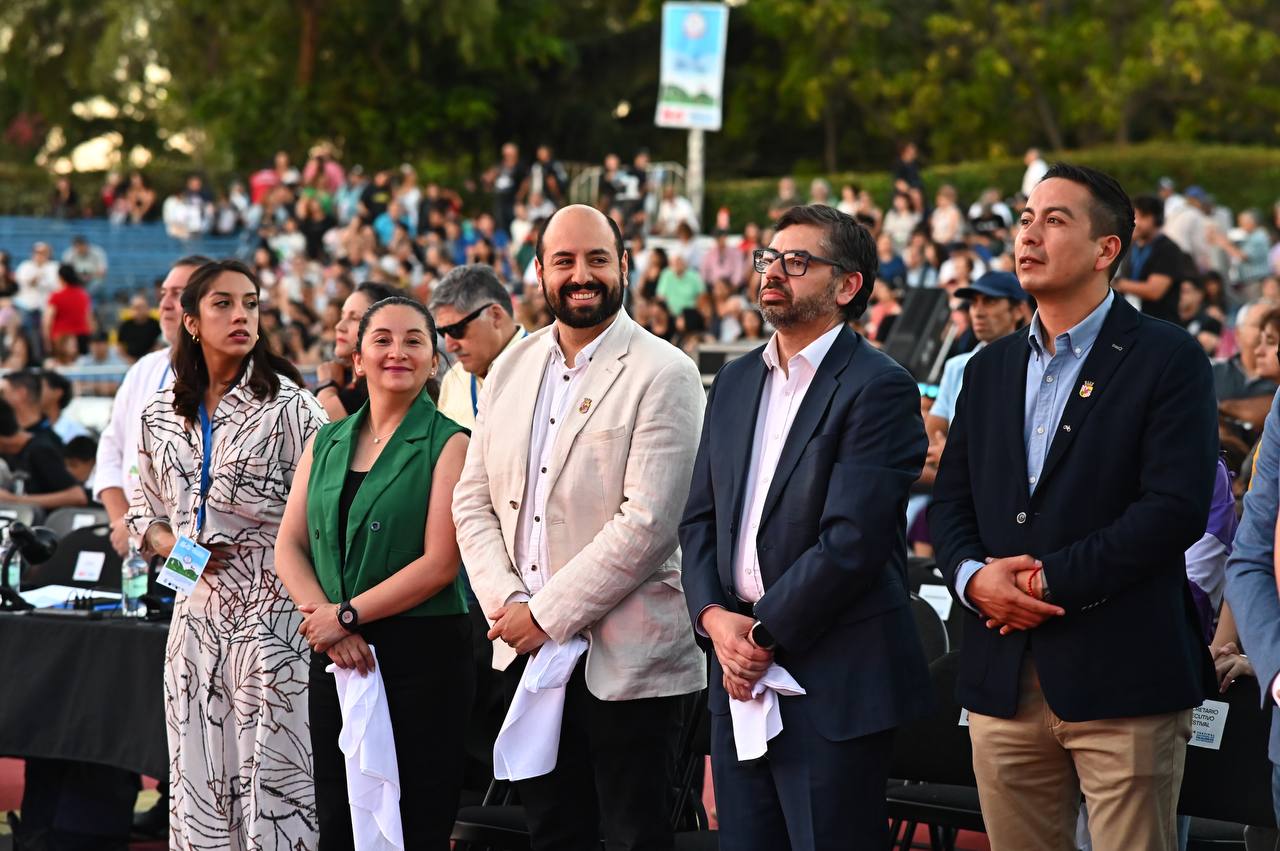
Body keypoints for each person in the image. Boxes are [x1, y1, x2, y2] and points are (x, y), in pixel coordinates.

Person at [929, 163, 1218, 851]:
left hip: (1124, 674)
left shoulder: (1168, 358)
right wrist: (972, 578)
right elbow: (950, 502)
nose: (1029, 234)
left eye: (1054, 220)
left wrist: (1043, 583)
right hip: (1002, 674)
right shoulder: (988, 367)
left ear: (1106, 249)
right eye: (1026, 218)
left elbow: (1173, 510)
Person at [452, 204, 706, 851]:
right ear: (539, 272)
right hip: (528, 655)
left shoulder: (665, 371)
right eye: (564, 261)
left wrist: (544, 615)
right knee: (553, 833)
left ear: (625, 265)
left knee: (632, 838)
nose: (581, 274)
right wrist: (509, 604)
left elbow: (648, 524)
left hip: (629, 665)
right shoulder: (511, 367)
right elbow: (472, 501)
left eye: (597, 258)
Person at [680, 204, 932, 850]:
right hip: (737, 675)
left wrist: (760, 635)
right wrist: (714, 619)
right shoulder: (735, 379)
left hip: (832, 680)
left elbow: (852, 542)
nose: (773, 272)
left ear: (847, 285)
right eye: (769, 258)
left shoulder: (879, 387)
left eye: (797, 262)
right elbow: (700, 518)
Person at [127, 259, 326, 850]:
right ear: (191, 321)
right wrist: (170, 543)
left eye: (251, 303)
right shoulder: (159, 414)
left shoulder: (293, 407)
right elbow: (142, 511)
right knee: (197, 775)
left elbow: (327, 510)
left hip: (277, 611)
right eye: (223, 304)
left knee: (276, 781)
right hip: (193, 612)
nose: (241, 315)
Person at [275, 296, 472, 849]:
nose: (397, 352)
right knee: (339, 821)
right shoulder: (326, 440)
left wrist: (345, 616)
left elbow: (440, 563)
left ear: (433, 361)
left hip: (421, 656)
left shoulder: (452, 442)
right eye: (382, 340)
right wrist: (329, 622)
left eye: (414, 341)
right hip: (335, 653)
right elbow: (288, 545)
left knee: (414, 823)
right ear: (357, 360)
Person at [95, 258, 205, 559]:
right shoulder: (144, 368)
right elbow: (111, 446)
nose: (165, 305)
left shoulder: (230, 380)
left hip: (194, 548)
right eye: (163, 294)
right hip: (137, 543)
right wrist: (123, 521)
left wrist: (155, 537)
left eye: (178, 294)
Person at [923, 271, 1029, 485]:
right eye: (973, 303)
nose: (978, 312)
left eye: (990, 301)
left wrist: (955, 460)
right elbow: (934, 436)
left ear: (1018, 310)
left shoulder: (1033, 366)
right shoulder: (956, 366)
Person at [429, 265, 526, 431]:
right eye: (443, 332)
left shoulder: (550, 365)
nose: (450, 346)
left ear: (495, 316)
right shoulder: (453, 380)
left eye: (456, 330)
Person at [312, 281, 400, 421]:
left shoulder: (377, 385)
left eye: (354, 318)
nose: (339, 326)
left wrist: (326, 386)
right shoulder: (343, 376)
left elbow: (320, 424)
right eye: (342, 316)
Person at [1113, 195, 1194, 324]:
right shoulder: (1131, 246)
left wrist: (1118, 284)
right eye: (1134, 217)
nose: (1136, 222)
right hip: (1131, 320)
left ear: (1157, 219)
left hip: (1159, 323)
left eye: (1142, 217)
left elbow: (1154, 291)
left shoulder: (1168, 249)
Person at [43, 264, 93, 357]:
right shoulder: (83, 295)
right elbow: (89, 319)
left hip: (61, 338)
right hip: (81, 337)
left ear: (61, 278)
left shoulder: (56, 296)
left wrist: (47, 342)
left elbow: (47, 321)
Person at [40, 369, 91, 444]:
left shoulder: (77, 434)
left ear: (57, 392)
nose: (34, 393)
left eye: (39, 388)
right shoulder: (29, 430)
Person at [117, 293, 163, 361]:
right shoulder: (125, 325)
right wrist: (129, 360)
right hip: (130, 361)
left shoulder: (155, 324)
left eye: (141, 307)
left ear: (147, 308)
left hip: (151, 359)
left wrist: (149, 359)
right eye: (135, 308)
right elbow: (120, 346)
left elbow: (159, 344)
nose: (138, 310)